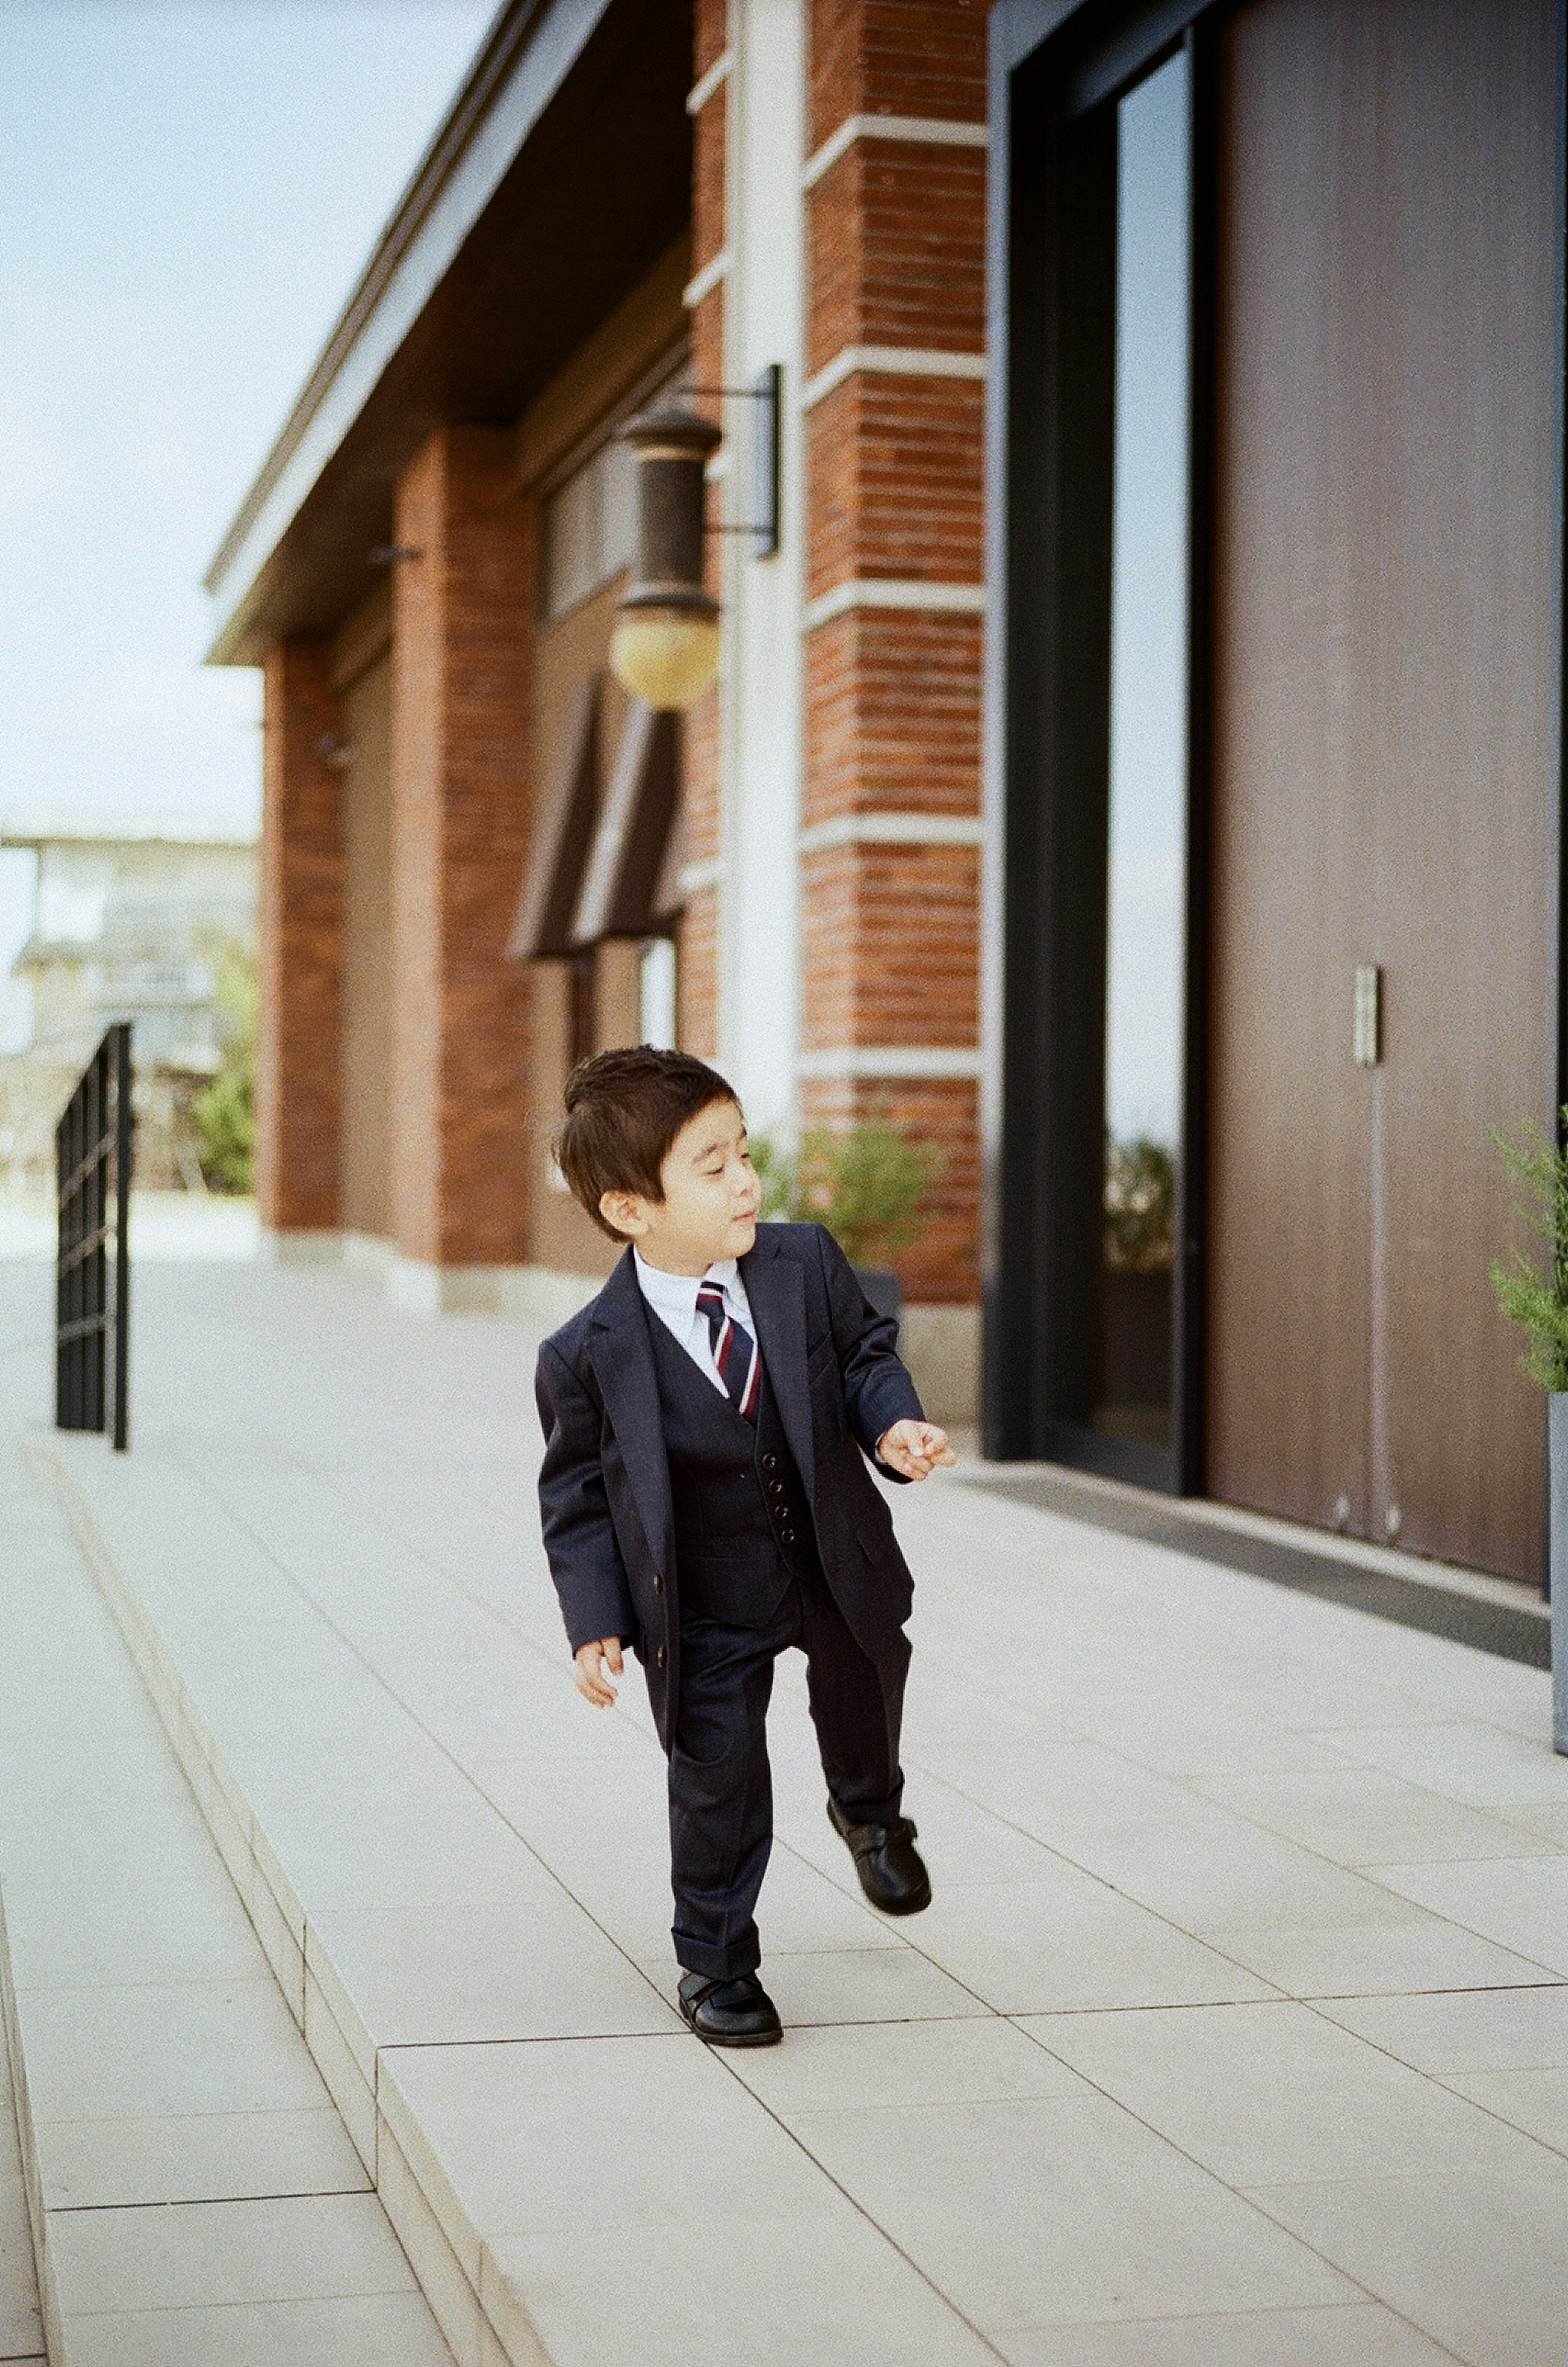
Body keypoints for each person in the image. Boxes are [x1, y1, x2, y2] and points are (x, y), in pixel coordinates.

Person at [534, 1046, 955, 2047]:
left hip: (830, 1556)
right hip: (706, 1599)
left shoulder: (801, 1263)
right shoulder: (585, 1353)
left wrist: (891, 1427)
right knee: (717, 1774)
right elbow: (580, 1496)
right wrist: (596, 1622)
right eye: (712, 1166)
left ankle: (869, 1811)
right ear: (632, 1210)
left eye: (744, 1152)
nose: (746, 1182)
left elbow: (863, 1356)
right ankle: (716, 1962)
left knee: (866, 1676)